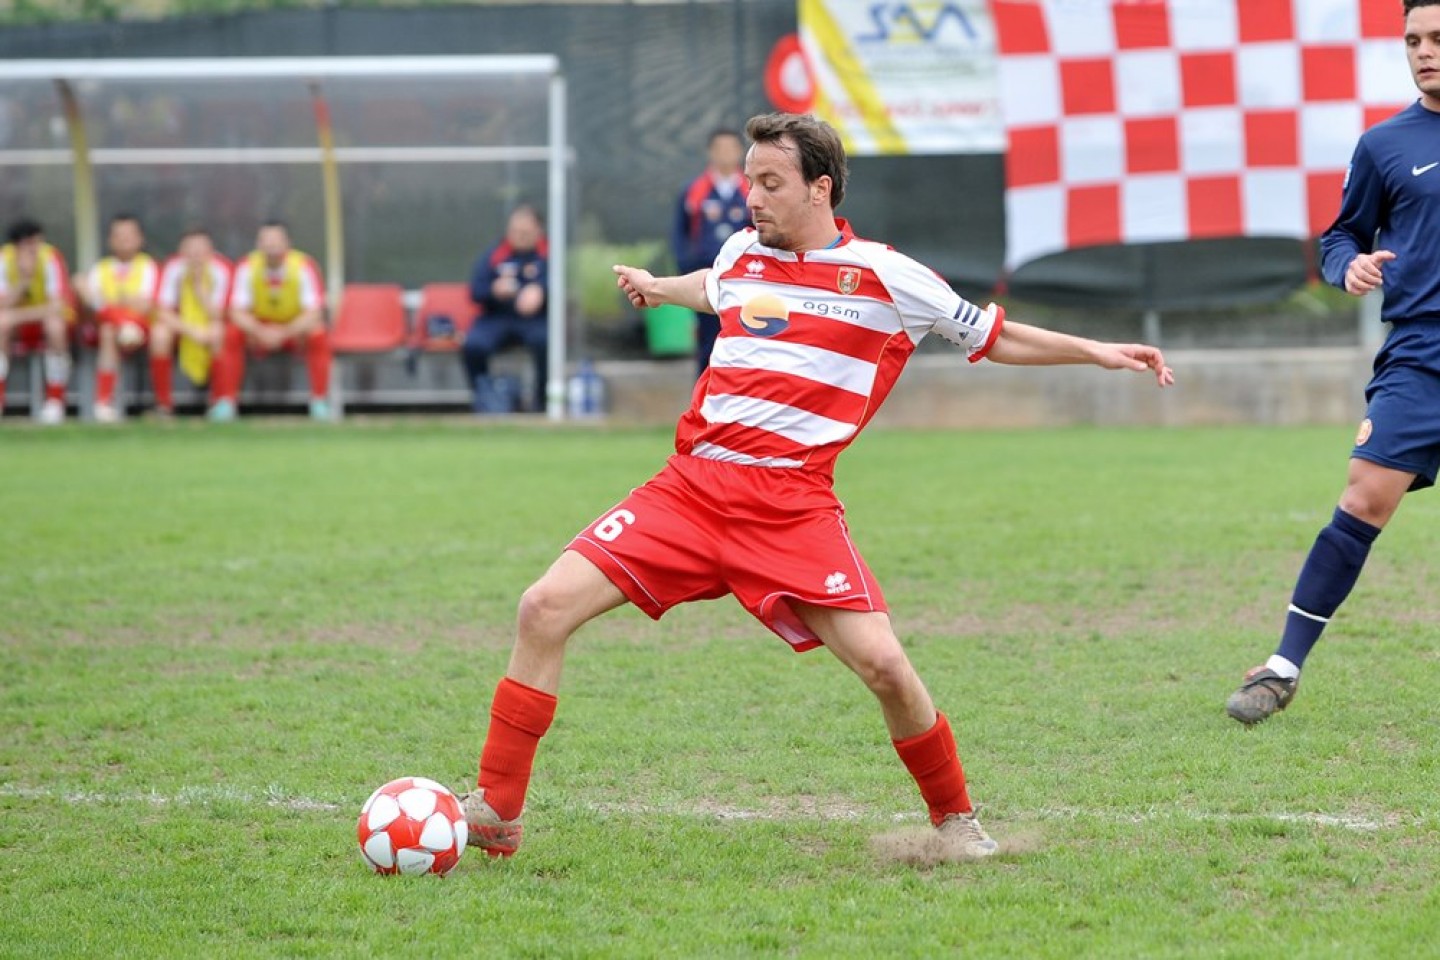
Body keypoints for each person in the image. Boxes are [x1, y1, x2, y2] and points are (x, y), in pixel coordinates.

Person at [458, 112, 1173, 861]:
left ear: (819, 188)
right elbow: (716, 285)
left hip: (790, 507)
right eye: (748, 185)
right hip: (690, 492)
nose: (753, 201)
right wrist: (657, 287)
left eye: (770, 184)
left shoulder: (885, 276)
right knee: (542, 607)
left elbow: (995, 335)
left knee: (886, 667)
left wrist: (1098, 351)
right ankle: (499, 810)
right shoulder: (742, 252)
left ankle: (956, 822)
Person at [1227, 0, 1440, 724]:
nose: (1423, 51)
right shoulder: (1385, 144)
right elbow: (1340, 235)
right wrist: (1348, 266)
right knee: (1362, 501)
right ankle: (1282, 668)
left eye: (1437, 38)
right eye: (1413, 39)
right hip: (1422, 355)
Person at [211, 220, 331, 422]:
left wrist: (284, 332)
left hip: (293, 329)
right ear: (258, 244)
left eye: (276, 240)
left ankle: (319, 401)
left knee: (318, 333)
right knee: (230, 333)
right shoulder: (247, 266)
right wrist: (260, 331)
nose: (271, 245)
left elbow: (314, 312)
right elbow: (236, 311)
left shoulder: (303, 265)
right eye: (266, 240)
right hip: (258, 331)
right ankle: (226, 401)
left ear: (288, 243)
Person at [672, 128, 750, 376]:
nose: (725, 154)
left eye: (731, 148)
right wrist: (688, 271)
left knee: (743, 341)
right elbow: (679, 234)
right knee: (708, 343)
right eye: (720, 148)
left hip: (745, 282)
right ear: (710, 152)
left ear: (740, 152)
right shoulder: (694, 191)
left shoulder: (752, 191)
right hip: (706, 280)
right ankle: (703, 406)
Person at [463, 204, 549, 413]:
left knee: (545, 342)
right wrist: (494, 290)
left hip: (535, 319)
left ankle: (541, 403)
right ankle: (485, 398)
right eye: (515, 231)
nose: (519, 236)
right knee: (473, 345)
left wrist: (542, 291)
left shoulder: (548, 255)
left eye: (525, 232)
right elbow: (475, 291)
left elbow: (565, 285)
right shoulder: (496, 254)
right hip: (497, 316)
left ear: (538, 231)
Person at [81, 214, 161, 422]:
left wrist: (112, 303)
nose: (124, 240)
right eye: (119, 235)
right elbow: (90, 304)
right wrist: (121, 304)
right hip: (110, 329)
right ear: (110, 240)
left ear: (140, 239)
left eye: (129, 235)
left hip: (140, 327)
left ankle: (161, 404)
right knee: (107, 329)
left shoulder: (148, 266)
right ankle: (104, 404)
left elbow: (145, 305)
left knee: (111, 323)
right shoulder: (101, 268)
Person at [0, 218, 73, 424]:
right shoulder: (4, 259)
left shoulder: (51, 257)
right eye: (29, 246)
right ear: (17, 247)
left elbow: (58, 306)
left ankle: (55, 400)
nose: (35, 250)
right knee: (1, 324)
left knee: (55, 326)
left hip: (43, 322)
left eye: (37, 244)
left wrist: (18, 315)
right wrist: (24, 282)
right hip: (17, 326)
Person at [154, 227, 232, 417]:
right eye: (190, 250)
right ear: (181, 251)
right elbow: (162, 312)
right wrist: (191, 330)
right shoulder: (173, 268)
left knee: (217, 331)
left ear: (210, 250)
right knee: (159, 334)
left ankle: (221, 402)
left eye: (200, 250)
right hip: (183, 327)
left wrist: (199, 289)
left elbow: (219, 314)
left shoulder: (221, 269)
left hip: (210, 324)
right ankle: (164, 404)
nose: (195, 255)